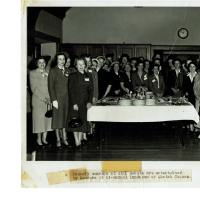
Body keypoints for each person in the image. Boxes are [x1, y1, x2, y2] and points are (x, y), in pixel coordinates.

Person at [68, 58, 94, 148]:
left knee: (82, 122)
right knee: (76, 122)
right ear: (76, 65)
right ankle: (77, 142)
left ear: (85, 65)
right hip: (75, 103)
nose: (81, 66)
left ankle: (79, 141)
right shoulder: (72, 76)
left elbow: (91, 90)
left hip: (85, 103)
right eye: (79, 64)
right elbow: (71, 91)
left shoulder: (89, 75)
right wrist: (74, 103)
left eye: (82, 64)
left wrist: (89, 102)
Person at [29, 57, 52, 148]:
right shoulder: (33, 73)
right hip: (38, 100)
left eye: (43, 62)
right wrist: (44, 98)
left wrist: (50, 98)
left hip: (49, 100)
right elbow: (34, 88)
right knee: (39, 120)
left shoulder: (49, 72)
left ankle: (44, 139)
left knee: (47, 119)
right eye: (40, 62)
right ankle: (38, 139)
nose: (42, 64)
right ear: (36, 64)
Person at [48, 52, 70, 149]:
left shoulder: (68, 70)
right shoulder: (53, 71)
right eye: (60, 59)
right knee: (57, 119)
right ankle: (58, 139)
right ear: (56, 60)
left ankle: (64, 138)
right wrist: (54, 100)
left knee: (65, 118)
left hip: (67, 99)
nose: (62, 61)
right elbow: (50, 86)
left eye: (63, 59)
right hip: (57, 99)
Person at [183, 62, 197, 133]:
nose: (192, 68)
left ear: (196, 67)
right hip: (189, 97)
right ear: (188, 68)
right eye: (190, 66)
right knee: (190, 111)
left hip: (197, 97)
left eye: (193, 66)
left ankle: (196, 127)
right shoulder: (186, 76)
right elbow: (184, 87)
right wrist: (185, 93)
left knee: (196, 111)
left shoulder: (198, 75)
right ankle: (191, 127)